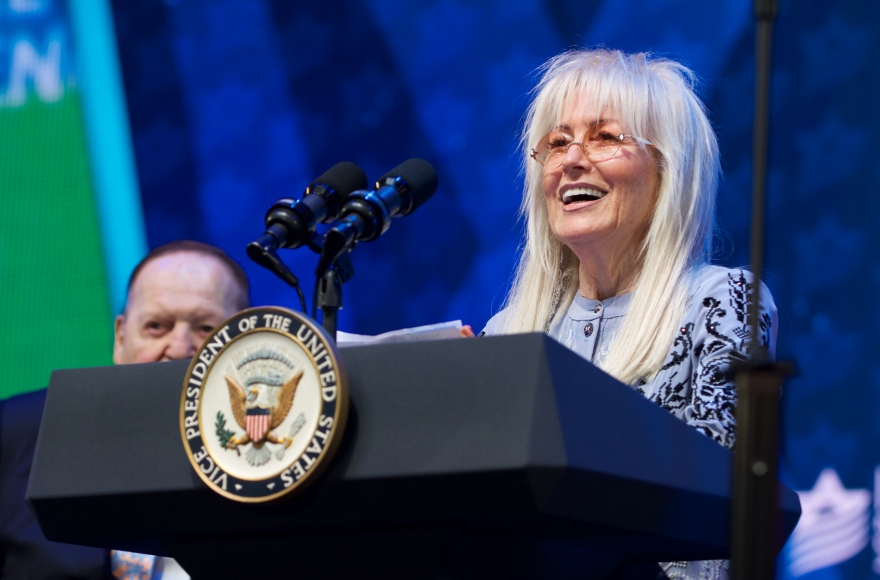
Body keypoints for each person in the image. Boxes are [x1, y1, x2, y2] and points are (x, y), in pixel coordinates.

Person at [474, 49, 777, 579]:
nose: (571, 160)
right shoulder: (507, 336)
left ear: (667, 169)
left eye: (605, 137)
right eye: (557, 142)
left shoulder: (722, 303)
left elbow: (717, 535)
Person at [0, 240, 249, 579]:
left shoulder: (282, 451)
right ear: (120, 338)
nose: (179, 348)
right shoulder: (18, 431)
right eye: (156, 326)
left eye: (206, 328)